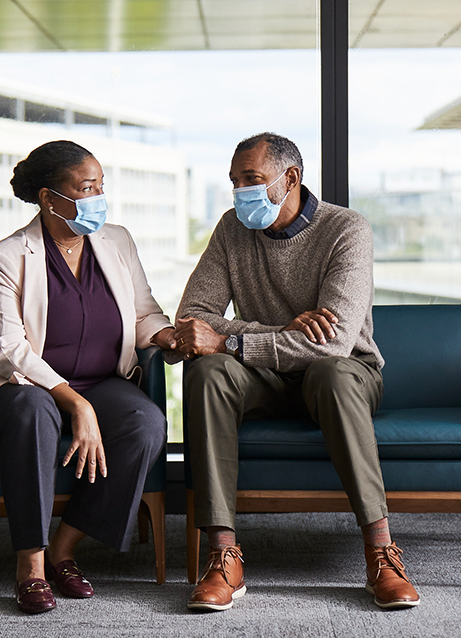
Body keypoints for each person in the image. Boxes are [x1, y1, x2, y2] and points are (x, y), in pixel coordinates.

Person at [174, 132, 420, 611]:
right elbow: (194, 317)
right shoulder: (231, 229)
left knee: (329, 371)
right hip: (264, 377)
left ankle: (381, 553)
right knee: (206, 373)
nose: (240, 191)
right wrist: (281, 330)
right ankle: (223, 555)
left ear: (291, 178)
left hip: (343, 376)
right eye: (234, 181)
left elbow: (333, 341)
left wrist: (232, 339)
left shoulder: (347, 229)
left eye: (252, 179)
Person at [0, 140, 177, 615]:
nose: (98, 197)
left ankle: (64, 548)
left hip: (102, 380)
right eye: (86, 187)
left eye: (100, 185)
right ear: (50, 197)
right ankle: (29, 564)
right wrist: (75, 402)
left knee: (146, 424)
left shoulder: (117, 240)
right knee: (33, 414)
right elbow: (6, 350)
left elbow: (143, 312)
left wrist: (169, 336)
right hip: (24, 386)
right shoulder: (7, 257)